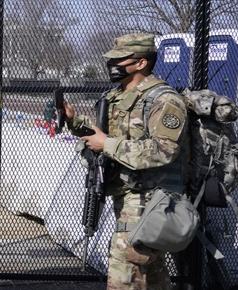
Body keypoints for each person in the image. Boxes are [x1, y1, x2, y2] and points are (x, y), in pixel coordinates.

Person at [63, 33, 189, 290]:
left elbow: (164, 150)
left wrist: (107, 145)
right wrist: (73, 121)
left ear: (141, 63)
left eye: (119, 60)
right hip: (126, 194)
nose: (112, 65)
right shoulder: (117, 96)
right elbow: (103, 134)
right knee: (149, 274)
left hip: (149, 198)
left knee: (125, 269)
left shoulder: (165, 100)